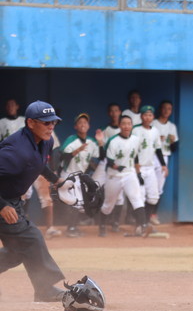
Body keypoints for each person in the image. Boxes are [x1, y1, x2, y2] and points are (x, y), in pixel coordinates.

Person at [0, 100, 66, 302]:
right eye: (46, 123)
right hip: (4, 202)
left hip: (11, 201)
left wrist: (56, 180)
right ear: (30, 123)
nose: (51, 126)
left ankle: (44, 289)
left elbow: (38, 163)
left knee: (17, 252)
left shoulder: (46, 141)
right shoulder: (15, 151)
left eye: (53, 122)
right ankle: (44, 290)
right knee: (32, 238)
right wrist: (2, 205)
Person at [98, 115, 150, 238]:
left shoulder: (136, 140)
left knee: (137, 198)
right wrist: (117, 167)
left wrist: (138, 173)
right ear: (120, 126)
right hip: (114, 175)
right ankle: (102, 225)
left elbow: (135, 156)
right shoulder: (114, 141)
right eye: (124, 123)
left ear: (132, 125)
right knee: (108, 204)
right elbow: (109, 161)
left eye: (129, 123)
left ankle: (142, 226)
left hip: (129, 173)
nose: (126, 126)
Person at [58, 113, 102, 237]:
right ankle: (71, 228)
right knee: (75, 202)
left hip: (80, 176)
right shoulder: (71, 140)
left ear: (88, 126)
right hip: (68, 174)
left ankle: (74, 227)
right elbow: (62, 156)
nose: (83, 124)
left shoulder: (91, 142)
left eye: (85, 122)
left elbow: (100, 157)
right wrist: (76, 151)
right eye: (80, 123)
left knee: (81, 203)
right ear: (75, 126)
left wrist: (100, 142)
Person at [132, 105, 168, 227]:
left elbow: (158, 149)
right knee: (140, 197)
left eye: (150, 115)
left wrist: (163, 165)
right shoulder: (136, 130)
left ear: (153, 117)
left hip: (150, 167)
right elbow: (134, 151)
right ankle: (140, 224)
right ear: (141, 116)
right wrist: (137, 169)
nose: (148, 117)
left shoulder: (155, 131)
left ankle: (146, 222)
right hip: (139, 167)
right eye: (145, 115)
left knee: (153, 196)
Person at [92, 102, 123, 232]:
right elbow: (101, 155)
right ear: (109, 113)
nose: (114, 113)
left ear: (120, 112)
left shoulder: (125, 131)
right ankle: (92, 216)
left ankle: (115, 222)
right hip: (105, 162)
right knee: (92, 186)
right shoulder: (105, 131)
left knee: (119, 195)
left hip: (119, 164)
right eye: (112, 111)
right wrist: (100, 143)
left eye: (116, 110)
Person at [150, 100, 179, 225]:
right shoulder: (154, 123)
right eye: (164, 108)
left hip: (164, 157)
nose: (166, 111)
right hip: (151, 157)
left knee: (158, 189)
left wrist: (172, 142)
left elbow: (174, 149)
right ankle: (142, 216)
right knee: (146, 187)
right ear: (160, 109)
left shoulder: (172, 126)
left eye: (169, 109)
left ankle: (152, 215)